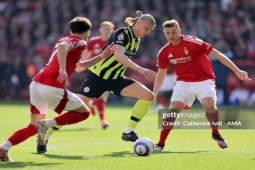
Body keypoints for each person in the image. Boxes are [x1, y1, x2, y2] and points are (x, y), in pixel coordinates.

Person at [36, 11, 156, 153]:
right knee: (75, 111)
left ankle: (128, 132)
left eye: (150, 30)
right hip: (98, 78)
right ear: (139, 23)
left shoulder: (137, 39)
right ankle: (46, 131)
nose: (147, 32)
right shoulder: (122, 34)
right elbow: (118, 56)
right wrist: (139, 69)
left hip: (116, 78)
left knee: (148, 96)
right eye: (146, 29)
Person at [0, 16, 116, 162]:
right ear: (87, 32)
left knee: (32, 127)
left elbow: (80, 67)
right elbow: (63, 48)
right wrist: (62, 69)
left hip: (36, 84)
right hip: (51, 85)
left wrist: (101, 56)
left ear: (70, 29)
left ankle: (3, 149)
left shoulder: (65, 40)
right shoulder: (79, 41)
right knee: (84, 113)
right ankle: (46, 125)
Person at [153, 19, 251, 151]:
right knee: (174, 108)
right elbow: (161, 74)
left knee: (209, 103)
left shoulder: (193, 42)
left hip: (204, 79)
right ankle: (160, 143)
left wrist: (237, 70)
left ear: (179, 31)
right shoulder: (164, 52)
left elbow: (218, 54)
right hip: (183, 82)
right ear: (164, 34)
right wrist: (154, 93)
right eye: (168, 33)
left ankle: (216, 133)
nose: (171, 36)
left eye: (174, 32)